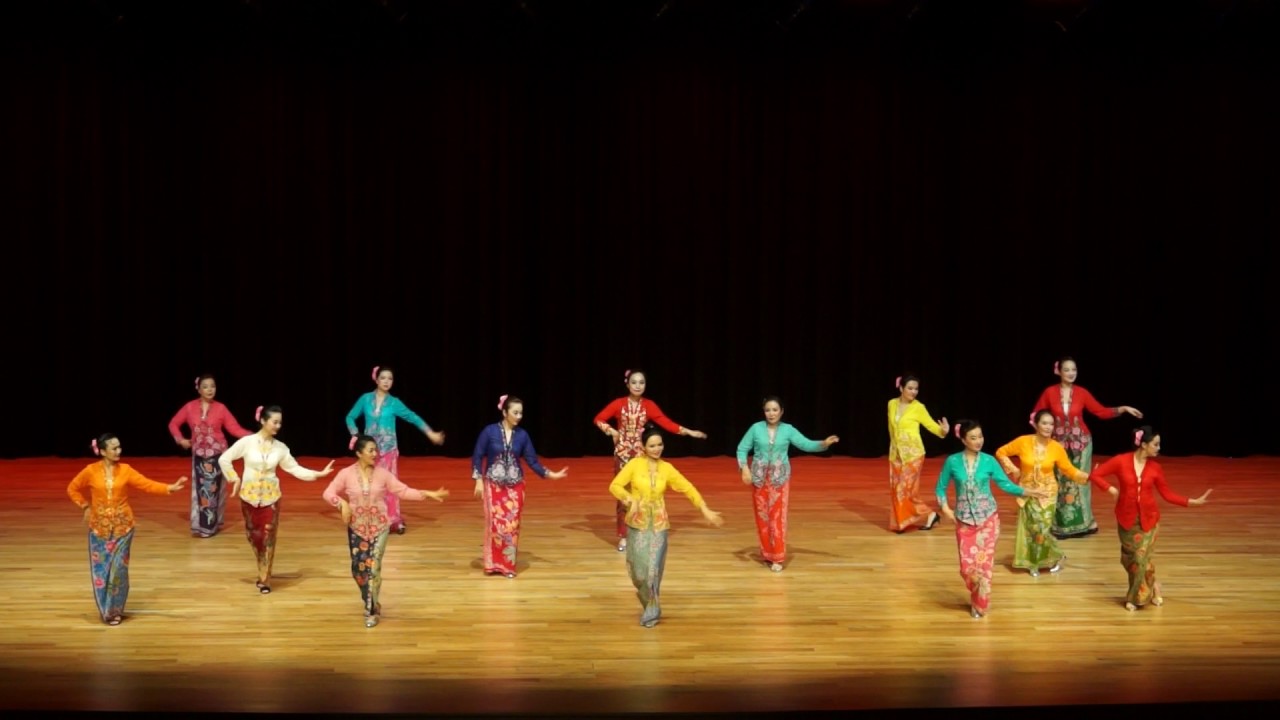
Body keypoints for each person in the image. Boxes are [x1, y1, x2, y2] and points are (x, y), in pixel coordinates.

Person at [323, 434, 449, 627]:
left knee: (373, 569)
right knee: (359, 571)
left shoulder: (383, 474)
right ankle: (372, 601)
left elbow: (403, 491)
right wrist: (342, 504)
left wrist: (426, 494)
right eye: (371, 450)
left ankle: (371, 611)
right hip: (356, 528)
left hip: (380, 527)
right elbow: (328, 493)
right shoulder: (346, 474)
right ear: (359, 453)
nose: (376, 453)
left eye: (376, 450)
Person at [66, 434, 188, 625]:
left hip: (123, 528)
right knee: (101, 573)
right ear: (103, 451)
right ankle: (106, 611)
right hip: (99, 530)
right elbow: (72, 488)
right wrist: (85, 506)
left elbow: (146, 484)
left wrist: (169, 488)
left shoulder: (126, 470)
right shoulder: (90, 471)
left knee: (118, 571)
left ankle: (115, 611)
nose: (118, 451)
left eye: (119, 447)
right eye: (114, 448)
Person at [610, 426, 723, 628]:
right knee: (638, 573)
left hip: (659, 525)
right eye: (652, 445)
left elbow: (688, 487)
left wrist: (704, 509)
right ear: (644, 447)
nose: (657, 449)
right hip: (637, 524)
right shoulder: (635, 465)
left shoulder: (667, 469)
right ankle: (648, 600)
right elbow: (615, 486)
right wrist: (629, 499)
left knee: (653, 571)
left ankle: (652, 610)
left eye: (660, 444)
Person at [936, 419, 1051, 618]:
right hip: (964, 521)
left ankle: (979, 605)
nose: (978, 441)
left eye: (980, 436)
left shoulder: (989, 461)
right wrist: (945, 508)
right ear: (963, 440)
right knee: (967, 568)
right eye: (973, 438)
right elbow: (940, 487)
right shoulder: (952, 461)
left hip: (988, 520)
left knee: (985, 567)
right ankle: (976, 594)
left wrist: (1028, 491)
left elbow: (1005, 484)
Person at [1090, 425, 1212, 611]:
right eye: (1155, 444)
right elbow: (1095, 474)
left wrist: (1190, 502)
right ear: (1144, 445)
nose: (1158, 448)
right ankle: (1155, 586)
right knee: (1132, 560)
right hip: (1126, 520)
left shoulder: (1155, 468)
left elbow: (1167, 494)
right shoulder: (1121, 461)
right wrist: (1111, 489)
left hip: (1149, 521)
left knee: (1140, 558)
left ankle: (1134, 598)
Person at [219, 405, 335, 593]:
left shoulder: (280, 448)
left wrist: (317, 474)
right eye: (274, 422)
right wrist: (234, 478)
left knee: (268, 537)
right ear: (263, 421)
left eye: (280, 422)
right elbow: (224, 459)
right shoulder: (247, 442)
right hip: (249, 497)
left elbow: (294, 468)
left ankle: (265, 579)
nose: (278, 426)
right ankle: (261, 567)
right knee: (254, 536)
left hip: (271, 498)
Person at [594, 368, 707, 552]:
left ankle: (641, 531)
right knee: (623, 497)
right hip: (623, 455)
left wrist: (688, 431)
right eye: (634, 382)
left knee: (644, 493)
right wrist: (611, 431)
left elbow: (666, 422)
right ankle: (624, 536)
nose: (638, 386)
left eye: (642, 382)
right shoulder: (618, 404)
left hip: (641, 455)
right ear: (627, 384)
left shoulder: (649, 405)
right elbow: (599, 419)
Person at [1032, 357, 1143, 539]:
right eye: (1067, 370)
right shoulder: (1049, 392)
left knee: (1080, 481)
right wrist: (1042, 433)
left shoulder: (1082, 393)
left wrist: (1122, 409)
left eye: (1074, 370)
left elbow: (1100, 411)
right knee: (1060, 482)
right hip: (1057, 445)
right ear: (1059, 371)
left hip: (1081, 444)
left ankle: (1085, 523)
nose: (1071, 373)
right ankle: (1060, 524)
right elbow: (1036, 414)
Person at [735, 396, 838, 571]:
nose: (771, 413)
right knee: (762, 517)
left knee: (777, 517)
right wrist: (744, 468)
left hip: (779, 479)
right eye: (768, 410)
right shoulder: (755, 428)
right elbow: (741, 449)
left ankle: (777, 557)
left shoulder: (788, 430)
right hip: (759, 479)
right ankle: (767, 553)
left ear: (781, 411)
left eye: (775, 410)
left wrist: (823, 444)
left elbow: (805, 444)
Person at [471, 395, 568, 578]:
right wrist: (478, 480)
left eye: (521, 413)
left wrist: (550, 474)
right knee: (495, 525)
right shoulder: (489, 431)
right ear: (504, 412)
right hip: (493, 486)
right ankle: (493, 564)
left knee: (511, 526)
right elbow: (477, 455)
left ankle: (508, 566)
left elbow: (532, 461)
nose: (518, 416)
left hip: (515, 488)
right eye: (515, 412)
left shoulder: (523, 435)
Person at [345, 365, 446, 535]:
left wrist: (430, 433)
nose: (386, 381)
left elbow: (413, 417)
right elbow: (350, 417)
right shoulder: (365, 399)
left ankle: (393, 520)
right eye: (383, 378)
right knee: (370, 484)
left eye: (390, 378)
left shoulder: (394, 402)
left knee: (390, 485)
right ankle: (373, 519)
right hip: (369, 452)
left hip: (388, 451)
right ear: (376, 380)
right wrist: (355, 434)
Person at [994, 409, 1089, 577]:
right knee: (1032, 529)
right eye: (1044, 423)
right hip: (1028, 492)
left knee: (1042, 529)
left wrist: (1084, 476)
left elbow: (1068, 469)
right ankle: (1043, 560)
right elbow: (1001, 452)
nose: (1048, 427)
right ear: (1036, 424)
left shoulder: (1056, 448)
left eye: (1051, 424)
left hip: (1047, 494)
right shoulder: (1023, 441)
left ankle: (1042, 561)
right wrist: (1014, 470)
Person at [167, 374, 252, 538]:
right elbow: (173, 424)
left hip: (218, 456)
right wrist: (180, 440)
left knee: (214, 491)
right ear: (198, 389)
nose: (210, 389)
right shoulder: (189, 407)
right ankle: (202, 525)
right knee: (202, 491)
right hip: (199, 457)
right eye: (205, 387)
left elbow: (235, 429)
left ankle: (211, 526)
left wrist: (254, 436)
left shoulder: (221, 408)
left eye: (212, 386)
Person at [886, 374, 949, 533]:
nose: (913, 392)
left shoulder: (918, 407)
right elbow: (891, 429)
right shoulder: (891, 404)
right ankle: (911, 520)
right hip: (896, 454)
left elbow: (931, 426)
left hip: (913, 454)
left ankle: (920, 516)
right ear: (901, 388)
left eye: (916, 389)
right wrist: (894, 448)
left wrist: (943, 431)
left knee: (903, 490)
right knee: (898, 490)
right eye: (910, 388)